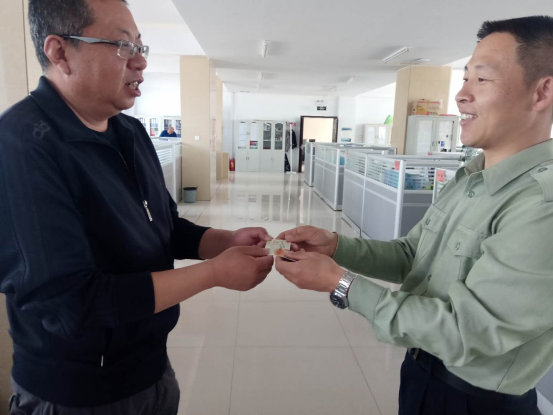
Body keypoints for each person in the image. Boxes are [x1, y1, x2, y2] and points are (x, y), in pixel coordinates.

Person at [0, 0, 273, 413]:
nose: (140, 62)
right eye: (123, 46)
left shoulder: (129, 131)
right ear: (60, 52)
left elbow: (164, 226)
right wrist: (215, 273)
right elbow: (72, 303)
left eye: (141, 47)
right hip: (79, 392)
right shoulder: (22, 145)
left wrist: (224, 240)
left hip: (151, 368)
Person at [276, 15, 553, 415]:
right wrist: (335, 246)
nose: (461, 95)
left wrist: (341, 283)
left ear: (542, 92)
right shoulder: (471, 177)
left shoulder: (541, 204)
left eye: (482, 79)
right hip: (422, 374)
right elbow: (412, 256)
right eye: (464, 78)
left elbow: (467, 331)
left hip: (477, 402)